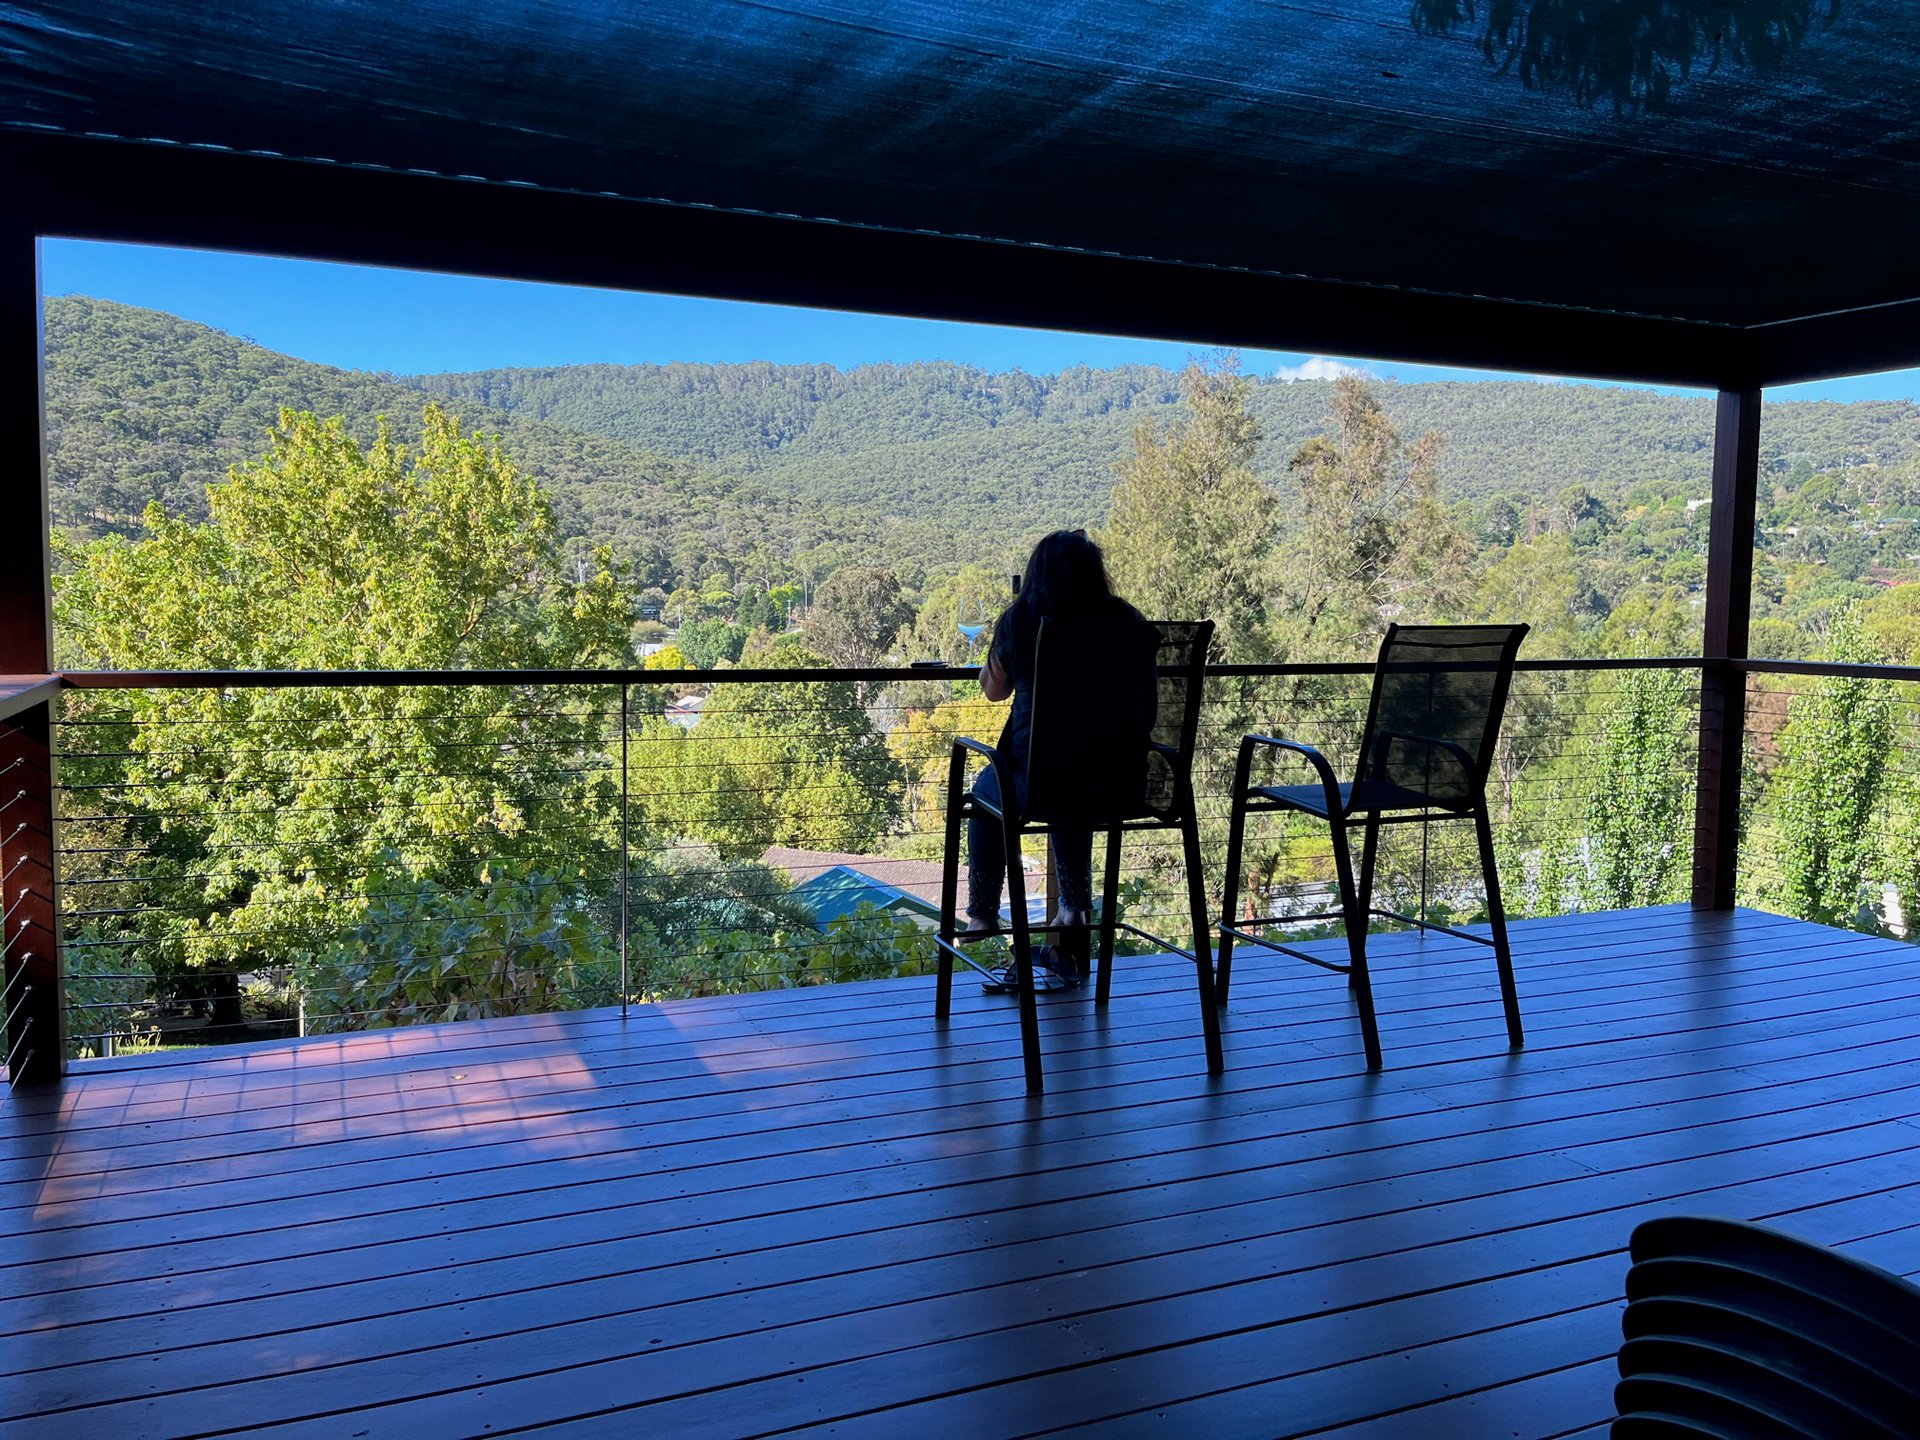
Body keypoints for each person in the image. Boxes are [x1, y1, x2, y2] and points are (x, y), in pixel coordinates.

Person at [967, 529, 1145, 992]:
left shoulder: (1023, 619)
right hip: (1121, 781)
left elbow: (993, 690)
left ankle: (983, 914)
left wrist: (996, 647)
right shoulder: (1126, 619)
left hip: (1040, 783)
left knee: (987, 791)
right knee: (1076, 780)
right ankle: (1074, 905)